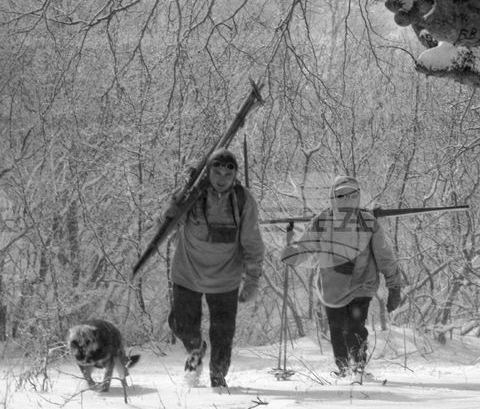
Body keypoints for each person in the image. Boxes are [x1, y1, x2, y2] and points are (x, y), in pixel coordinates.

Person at [280, 175, 404, 379]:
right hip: (332, 287)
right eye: (341, 195)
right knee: (337, 330)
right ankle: (343, 369)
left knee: (355, 328)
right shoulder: (322, 221)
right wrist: (292, 253)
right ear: (333, 197)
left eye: (352, 195)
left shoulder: (368, 222)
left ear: (359, 196)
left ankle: (358, 368)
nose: (347, 200)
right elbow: (307, 246)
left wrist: (394, 287)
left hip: (362, 284)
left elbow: (385, 256)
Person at [164, 148, 264, 388]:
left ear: (235, 176)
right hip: (188, 273)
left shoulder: (243, 200)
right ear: (208, 172)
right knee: (181, 324)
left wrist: (252, 280)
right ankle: (195, 348)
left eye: (228, 175)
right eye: (216, 173)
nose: (222, 179)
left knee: (223, 334)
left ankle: (218, 376)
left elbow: (252, 242)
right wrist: (172, 208)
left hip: (225, 278)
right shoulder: (192, 195)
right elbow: (165, 224)